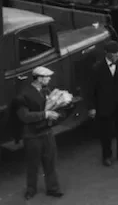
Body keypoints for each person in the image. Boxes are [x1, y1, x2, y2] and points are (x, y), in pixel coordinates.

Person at [16, 65, 63, 199]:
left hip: (47, 133)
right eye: (47, 77)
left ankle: (53, 188)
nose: (49, 79)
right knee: (33, 164)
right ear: (39, 78)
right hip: (32, 136)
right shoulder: (23, 95)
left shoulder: (46, 91)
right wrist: (45, 114)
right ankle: (31, 189)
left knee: (50, 162)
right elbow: (24, 116)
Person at [89, 39, 118, 166]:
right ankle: (107, 156)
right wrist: (92, 107)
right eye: (114, 54)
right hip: (105, 105)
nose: (117, 55)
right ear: (107, 53)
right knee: (106, 132)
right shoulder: (97, 68)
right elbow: (91, 90)